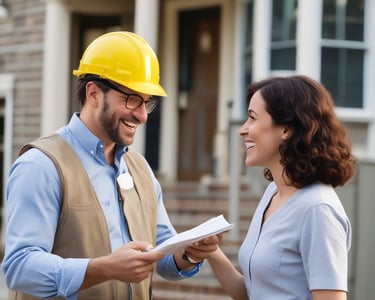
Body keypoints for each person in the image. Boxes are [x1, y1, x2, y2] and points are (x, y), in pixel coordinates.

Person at [2, 31, 221, 300]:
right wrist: (102, 268)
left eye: (147, 103)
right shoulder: (41, 166)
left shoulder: (140, 169)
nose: (142, 115)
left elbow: (160, 252)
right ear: (94, 93)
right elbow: (20, 267)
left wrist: (186, 253)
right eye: (131, 99)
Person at [208, 75, 356, 300]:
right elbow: (254, 293)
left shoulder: (318, 209)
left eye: (252, 118)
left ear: (286, 129)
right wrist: (212, 252)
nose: (243, 130)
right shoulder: (273, 193)